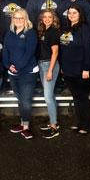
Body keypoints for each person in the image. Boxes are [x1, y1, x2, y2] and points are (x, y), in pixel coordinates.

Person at [59, 5, 90, 135]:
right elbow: (63, 49)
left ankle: (86, 125)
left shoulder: (85, 29)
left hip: (81, 69)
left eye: (75, 13)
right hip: (68, 69)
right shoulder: (66, 29)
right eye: (70, 13)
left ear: (80, 14)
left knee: (82, 98)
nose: (72, 15)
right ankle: (79, 122)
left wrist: (87, 68)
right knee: (76, 97)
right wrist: (62, 67)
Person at [2, 8, 39, 139]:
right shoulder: (9, 33)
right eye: (15, 18)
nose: (18, 20)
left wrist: (17, 67)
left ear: (25, 19)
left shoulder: (30, 33)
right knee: (20, 99)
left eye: (21, 18)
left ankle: (26, 127)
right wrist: (8, 66)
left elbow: (29, 53)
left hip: (28, 72)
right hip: (13, 73)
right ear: (12, 19)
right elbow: (5, 51)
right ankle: (22, 123)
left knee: (26, 100)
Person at [36, 10, 61, 139]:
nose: (47, 19)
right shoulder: (42, 31)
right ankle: (54, 120)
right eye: (44, 17)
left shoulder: (53, 32)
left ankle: (54, 126)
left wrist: (50, 70)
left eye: (50, 17)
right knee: (50, 95)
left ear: (54, 19)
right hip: (41, 64)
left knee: (47, 97)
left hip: (49, 65)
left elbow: (55, 52)